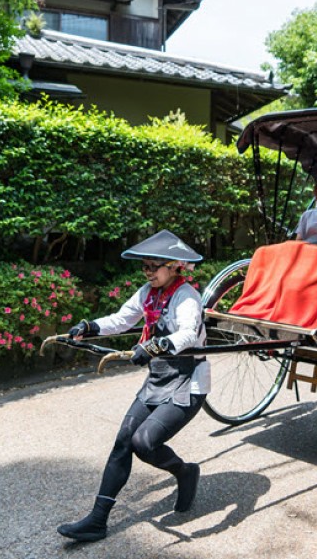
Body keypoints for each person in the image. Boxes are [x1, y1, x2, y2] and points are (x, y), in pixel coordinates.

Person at [56, 230, 209, 543]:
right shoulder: (148, 293)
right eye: (146, 267)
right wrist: (90, 326)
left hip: (187, 382)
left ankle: (184, 472)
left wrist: (154, 346)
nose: (149, 272)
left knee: (144, 442)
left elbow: (188, 335)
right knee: (124, 440)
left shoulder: (187, 297)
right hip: (158, 379)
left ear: (175, 267)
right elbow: (122, 319)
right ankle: (97, 520)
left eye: (155, 266)